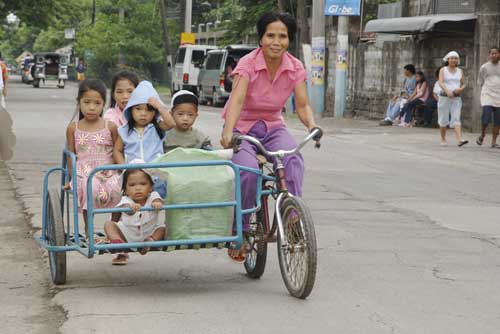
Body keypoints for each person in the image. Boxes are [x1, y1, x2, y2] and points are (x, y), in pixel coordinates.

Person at [220, 11, 321, 262]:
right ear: (261, 38)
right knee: (247, 171)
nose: (276, 42)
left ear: (290, 40)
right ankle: (240, 231)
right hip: (243, 127)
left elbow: (302, 105)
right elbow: (237, 99)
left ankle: (292, 221)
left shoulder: (295, 67)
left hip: (273, 127)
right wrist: (228, 132)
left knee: (293, 161)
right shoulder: (247, 64)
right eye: (270, 35)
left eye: (283, 36)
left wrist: (312, 126)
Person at [64, 79, 122, 237]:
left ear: (103, 104)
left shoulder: (110, 126)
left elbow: (118, 150)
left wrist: (120, 170)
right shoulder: (73, 128)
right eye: (86, 102)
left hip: (107, 169)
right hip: (84, 171)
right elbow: (71, 154)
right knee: (89, 186)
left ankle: (115, 226)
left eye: (97, 103)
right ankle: (88, 228)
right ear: (79, 102)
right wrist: (72, 177)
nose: (91, 107)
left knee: (118, 188)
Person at [113, 80, 176, 198]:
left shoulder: (157, 127)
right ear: (130, 109)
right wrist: (124, 168)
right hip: (134, 177)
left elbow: (171, 123)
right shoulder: (125, 130)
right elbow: (117, 150)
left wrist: (159, 106)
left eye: (149, 110)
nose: (143, 114)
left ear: (155, 113)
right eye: (138, 109)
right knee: (131, 206)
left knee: (154, 204)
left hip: (156, 176)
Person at [104, 162, 166, 265]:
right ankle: (119, 244)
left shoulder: (153, 196)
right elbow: (126, 208)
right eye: (132, 185)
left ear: (151, 187)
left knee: (162, 228)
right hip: (127, 234)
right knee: (108, 224)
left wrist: (157, 203)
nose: (137, 188)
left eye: (143, 184)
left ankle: (151, 241)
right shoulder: (126, 200)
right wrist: (131, 208)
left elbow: (158, 200)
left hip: (148, 233)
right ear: (126, 190)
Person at [437, 51, 468, 147]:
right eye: (452, 58)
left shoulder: (460, 71)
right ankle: (443, 139)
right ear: (448, 59)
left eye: (456, 58)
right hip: (444, 97)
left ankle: (459, 140)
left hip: (456, 97)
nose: (454, 60)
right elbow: (440, 82)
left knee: (456, 117)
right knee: (443, 118)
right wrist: (447, 91)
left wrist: (460, 89)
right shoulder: (443, 70)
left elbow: (464, 83)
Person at [476, 47, 500, 148]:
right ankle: (482, 134)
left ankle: (494, 142)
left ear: (499, 54)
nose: (494, 55)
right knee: (486, 116)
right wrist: (485, 91)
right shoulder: (484, 67)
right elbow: (480, 81)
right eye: (492, 53)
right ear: (489, 55)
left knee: (498, 120)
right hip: (487, 94)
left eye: (496, 53)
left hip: (499, 95)